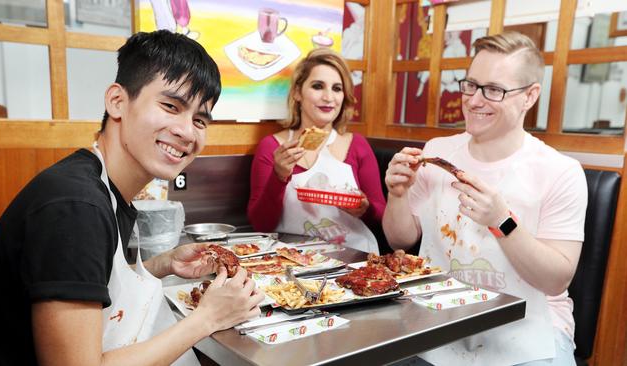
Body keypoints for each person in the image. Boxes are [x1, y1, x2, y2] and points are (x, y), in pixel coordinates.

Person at [0, 30, 263, 366]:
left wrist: (165, 264)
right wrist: (207, 318)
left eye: (200, 119)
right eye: (171, 106)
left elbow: (92, 280)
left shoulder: (102, 189)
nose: (187, 132)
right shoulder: (75, 206)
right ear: (117, 101)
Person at [383, 31, 586, 365]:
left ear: (530, 96)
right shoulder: (437, 153)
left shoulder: (560, 171)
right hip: (439, 316)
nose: (475, 100)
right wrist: (397, 195)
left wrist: (501, 221)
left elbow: (556, 280)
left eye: (494, 90)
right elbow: (400, 239)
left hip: (528, 327)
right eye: (470, 85)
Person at [248, 48, 385, 254]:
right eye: (318, 86)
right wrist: (279, 176)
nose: (329, 97)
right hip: (291, 261)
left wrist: (366, 209)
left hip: (354, 259)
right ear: (297, 93)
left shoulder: (357, 146)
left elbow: (383, 217)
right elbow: (261, 225)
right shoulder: (273, 147)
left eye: (337, 88)